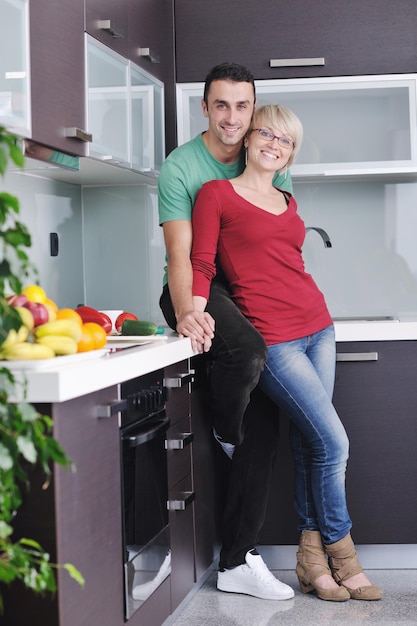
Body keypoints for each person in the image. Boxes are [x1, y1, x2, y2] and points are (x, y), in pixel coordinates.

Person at [191, 103, 383, 602]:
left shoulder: (286, 199)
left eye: (287, 141)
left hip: (318, 326)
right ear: (249, 140)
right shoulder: (217, 195)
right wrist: (192, 309)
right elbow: (202, 263)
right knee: (334, 443)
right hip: (274, 337)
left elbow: (287, 262)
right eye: (268, 135)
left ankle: (311, 561)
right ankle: (344, 553)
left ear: (291, 153)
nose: (275, 145)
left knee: (309, 445)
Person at [158, 63, 294, 600]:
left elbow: (273, 237)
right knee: (247, 348)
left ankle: (238, 562)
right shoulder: (181, 167)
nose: (232, 117)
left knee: (264, 423)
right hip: (194, 282)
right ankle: (222, 428)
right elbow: (179, 253)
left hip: (245, 290)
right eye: (221, 105)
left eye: (243, 106)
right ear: (205, 108)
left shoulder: (266, 153)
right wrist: (188, 308)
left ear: (253, 109)